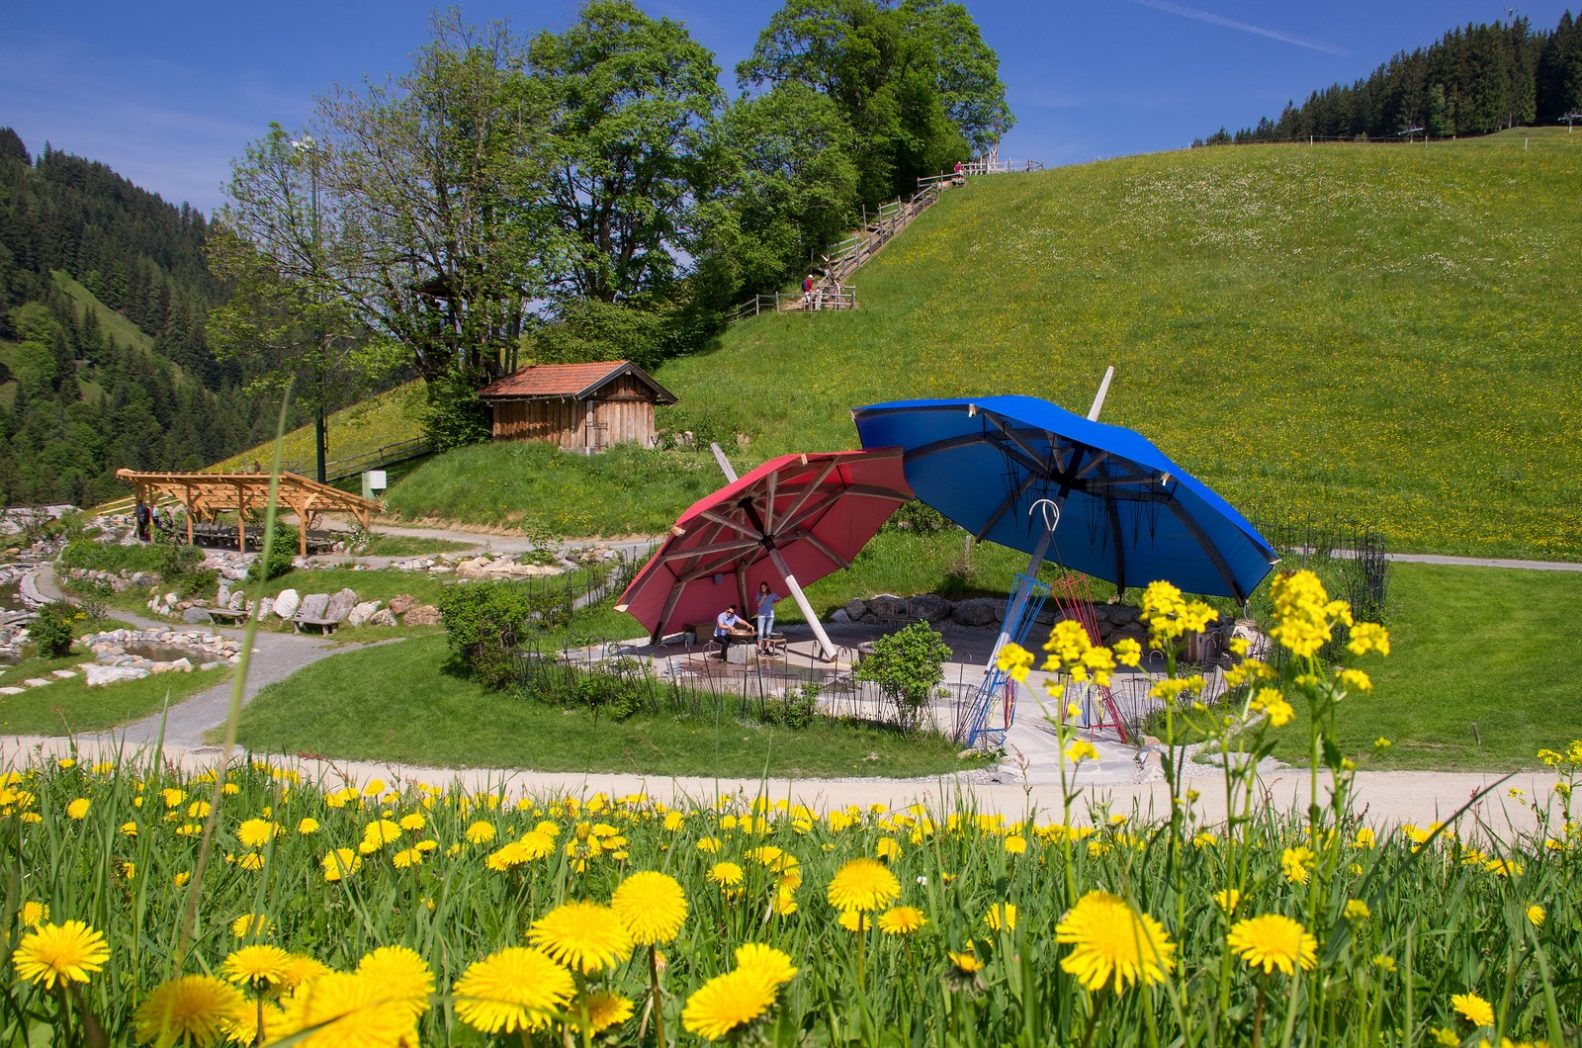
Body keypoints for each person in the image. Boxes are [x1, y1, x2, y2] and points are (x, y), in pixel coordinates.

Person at [755, 582, 780, 654]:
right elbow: (758, 605)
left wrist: (773, 604)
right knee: (760, 633)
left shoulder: (772, 594)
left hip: (770, 616)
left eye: (764, 587)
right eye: (761, 587)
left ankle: (767, 648)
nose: (762, 589)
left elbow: (779, 599)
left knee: (768, 632)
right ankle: (759, 648)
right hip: (761, 616)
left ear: (767, 587)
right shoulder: (758, 594)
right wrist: (763, 598)